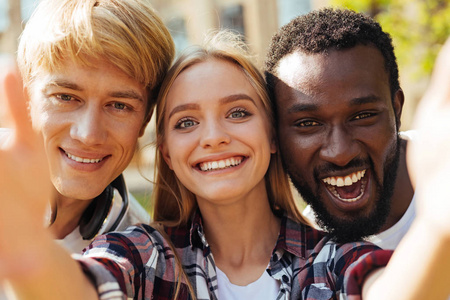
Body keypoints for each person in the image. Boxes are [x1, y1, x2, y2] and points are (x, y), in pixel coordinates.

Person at [0, 30, 394, 300]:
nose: (213, 137)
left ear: (272, 135)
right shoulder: (143, 254)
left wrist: (436, 230)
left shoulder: (335, 260)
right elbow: (85, 287)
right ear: (167, 152)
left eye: (238, 112)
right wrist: (30, 255)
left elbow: (393, 289)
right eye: (186, 122)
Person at [2, 0, 175, 254]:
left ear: (146, 119)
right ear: (27, 100)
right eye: (65, 97)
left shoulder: (143, 256)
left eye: (119, 105)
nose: (88, 135)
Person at [264, 8, 415, 248]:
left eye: (363, 116)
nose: (340, 153)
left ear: (396, 110)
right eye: (308, 124)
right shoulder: (302, 260)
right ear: (275, 136)